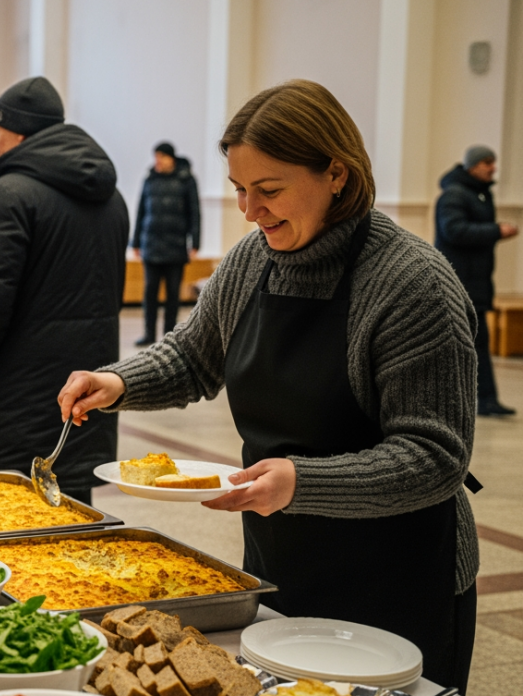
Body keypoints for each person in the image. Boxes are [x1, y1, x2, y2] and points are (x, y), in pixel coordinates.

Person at [58, 80, 479, 693]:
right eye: (239, 190)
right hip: (284, 558)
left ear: (336, 173)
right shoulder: (251, 261)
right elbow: (193, 355)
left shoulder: (412, 284)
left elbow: (434, 458)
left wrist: (302, 482)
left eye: (270, 190)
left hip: (400, 575)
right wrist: (117, 379)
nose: (250, 211)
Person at [0, 76, 128, 503]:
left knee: (15, 518)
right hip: (86, 392)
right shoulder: (111, 197)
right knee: (72, 507)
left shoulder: (8, 195)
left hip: (19, 395)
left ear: (21, 134)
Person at [435, 145, 519, 416]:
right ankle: (480, 400)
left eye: (493, 162)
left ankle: (485, 399)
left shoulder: (480, 194)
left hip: (477, 282)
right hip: (460, 283)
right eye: (486, 162)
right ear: (471, 165)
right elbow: (453, 230)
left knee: (477, 342)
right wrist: (496, 230)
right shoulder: (455, 195)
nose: (492, 167)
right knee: (464, 342)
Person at [133, 141, 201, 346]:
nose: (158, 161)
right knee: (150, 293)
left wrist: (195, 242)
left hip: (175, 246)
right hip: (151, 245)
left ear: (171, 158)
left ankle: (169, 335)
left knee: (173, 293)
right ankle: (148, 334)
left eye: (161, 157)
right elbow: (141, 212)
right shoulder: (149, 180)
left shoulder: (186, 180)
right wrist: (136, 241)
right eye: (156, 157)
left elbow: (195, 213)